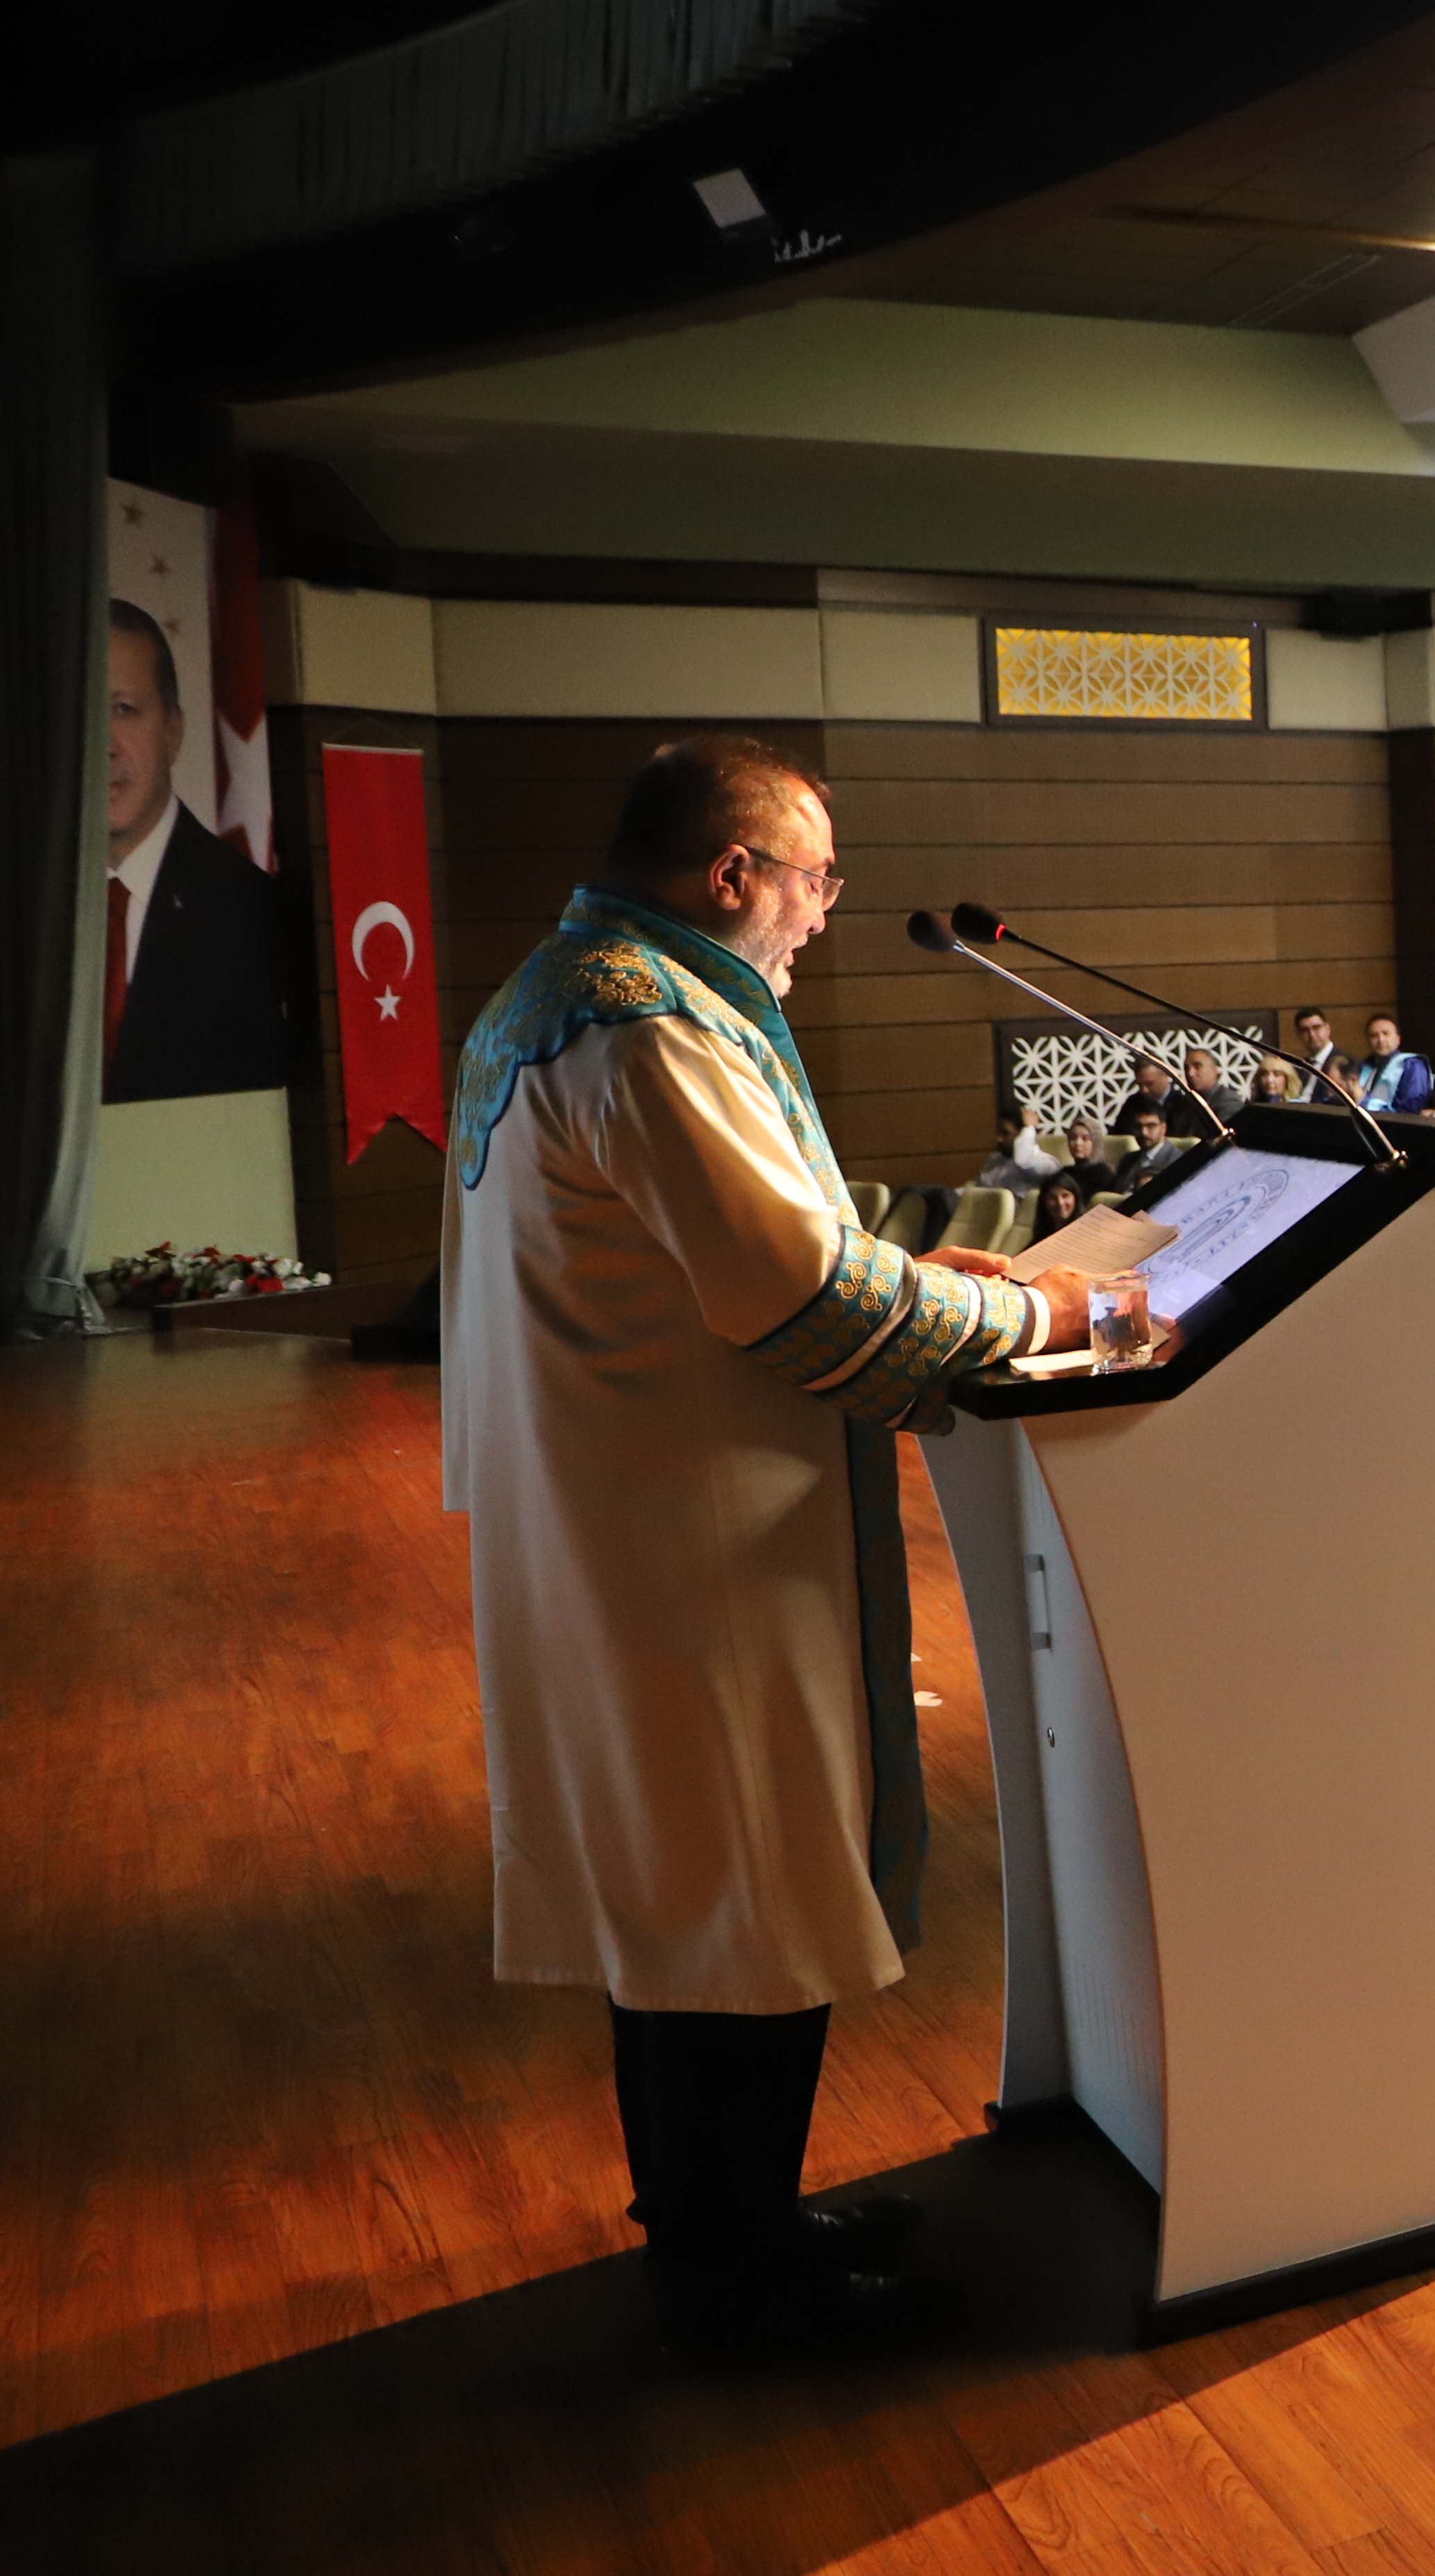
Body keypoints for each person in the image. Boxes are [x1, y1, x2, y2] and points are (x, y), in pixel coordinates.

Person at [444, 735, 1091, 2347]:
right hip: (689, 1530)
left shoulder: (569, 984)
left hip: (623, 1501)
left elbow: (740, 1241)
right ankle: (740, 2286)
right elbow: (800, 1299)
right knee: (733, 1879)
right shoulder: (653, 1023)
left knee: (687, 1892)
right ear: (733, 873)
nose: (824, 911)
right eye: (813, 877)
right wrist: (1027, 1305)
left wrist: (915, 1265)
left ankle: (723, 2218)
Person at [100, 597, 292, 1102]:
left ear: (173, 732)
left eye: (124, 710)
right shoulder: (27, 908)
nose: (105, 742)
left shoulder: (251, 911)